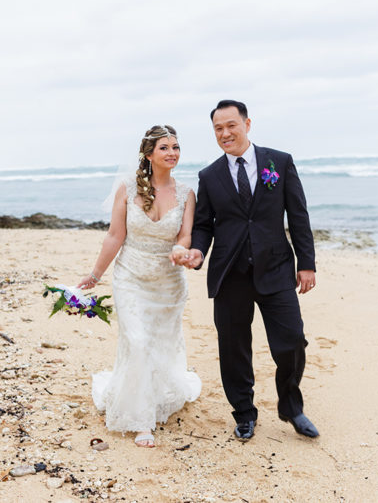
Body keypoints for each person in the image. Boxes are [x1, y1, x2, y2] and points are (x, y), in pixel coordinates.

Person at [177, 100, 319, 441]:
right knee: (233, 347)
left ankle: (291, 407)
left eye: (231, 126)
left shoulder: (279, 162)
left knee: (291, 342)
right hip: (230, 274)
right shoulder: (209, 176)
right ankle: (244, 413)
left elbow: (298, 216)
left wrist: (307, 264)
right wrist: (197, 250)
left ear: (247, 124)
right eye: (218, 129)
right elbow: (205, 224)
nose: (225, 134)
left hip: (276, 270)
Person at [77, 125, 201, 448]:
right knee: (138, 340)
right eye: (164, 147)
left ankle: (154, 393)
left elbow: (185, 236)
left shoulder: (187, 192)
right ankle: (142, 421)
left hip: (168, 282)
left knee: (159, 343)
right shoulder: (127, 189)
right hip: (130, 277)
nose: (172, 152)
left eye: (176, 147)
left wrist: (180, 250)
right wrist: (95, 274)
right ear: (148, 154)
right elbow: (115, 236)